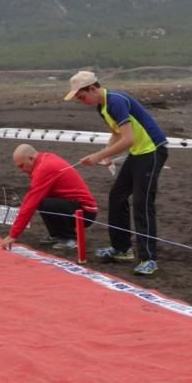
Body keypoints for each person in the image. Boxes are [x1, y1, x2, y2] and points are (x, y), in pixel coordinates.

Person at [64, 70, 168, 276]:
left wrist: (98, 155)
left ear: (93, 88)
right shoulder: (102, 107)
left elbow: (128, 139)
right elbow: (117, 133)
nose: (82, 101)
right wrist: (107, 154)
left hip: (152, 151)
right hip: (138, 153)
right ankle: (122, 249)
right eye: (78, 98)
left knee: (142, 203)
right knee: (117, 196)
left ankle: (149, 259)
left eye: (82, 96)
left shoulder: (116, 101)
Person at [1, 144, 98, 251]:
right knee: (43, 202)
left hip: (85, 212)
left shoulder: (43, 169)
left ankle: (69, 238)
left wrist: (13, 235)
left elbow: (30, 203)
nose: (21, 170)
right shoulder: (45, 159)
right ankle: (57, 234)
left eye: (21, 166)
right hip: (77, 206)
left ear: (31, 158)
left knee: (43, 202)